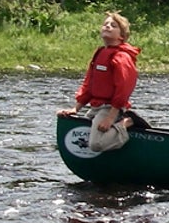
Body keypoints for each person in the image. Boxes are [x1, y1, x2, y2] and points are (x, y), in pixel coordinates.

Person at [56, 11, 141, 152]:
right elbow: (89, 84)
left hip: (111, 108)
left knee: (96, 145)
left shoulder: (121, 57)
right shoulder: (101, 53)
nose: (107, 26)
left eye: (113, 25)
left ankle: (126, 123)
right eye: (105, 24)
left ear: (121, 36)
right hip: (96, 106)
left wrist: (110, 118)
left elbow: (123, 89)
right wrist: (75, 108)